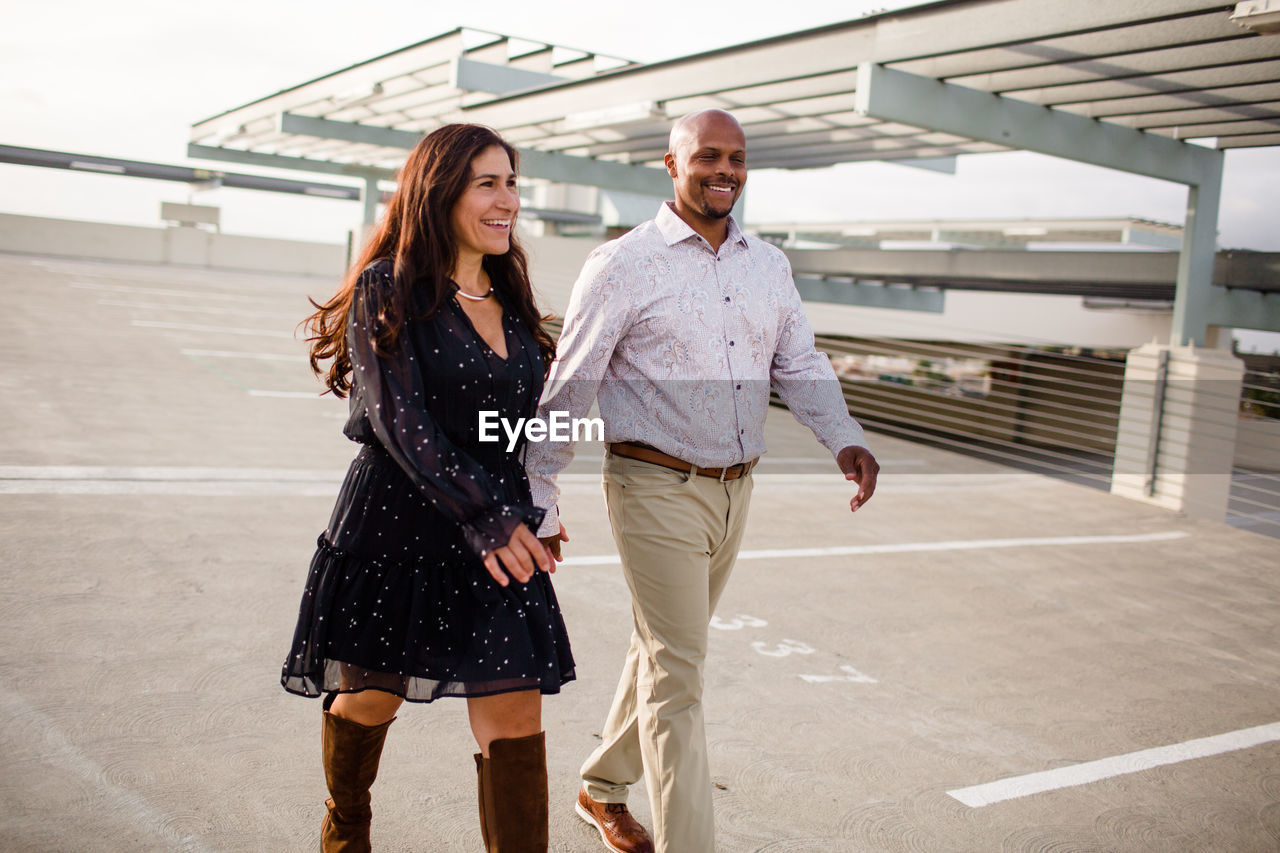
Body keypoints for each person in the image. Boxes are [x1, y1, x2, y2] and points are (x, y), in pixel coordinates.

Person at [526, 109, 879, 853]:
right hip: (654, 486)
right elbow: (573, 380)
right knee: (679, 675)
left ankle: (599, 786)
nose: (726, 170)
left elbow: (801, 364)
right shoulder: (624, 263)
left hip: (735, 491)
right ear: (671, 164)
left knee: (660, 649)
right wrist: (539, 490)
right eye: (709, 156)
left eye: (738, 159)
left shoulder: (768, 265)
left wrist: (843, 437)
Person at [281, 123, 575, 853]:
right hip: (396, 533)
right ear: (441, 191)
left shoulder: (511, 300)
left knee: (515, 716)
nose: (508, 199)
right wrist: (488, 517)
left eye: (513, 182)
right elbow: (399, 421)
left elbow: (517, 425)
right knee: (371, 697)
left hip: (497, 533)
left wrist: (536, 509)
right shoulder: (389, 289)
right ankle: (346, 822)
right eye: (489, 183)